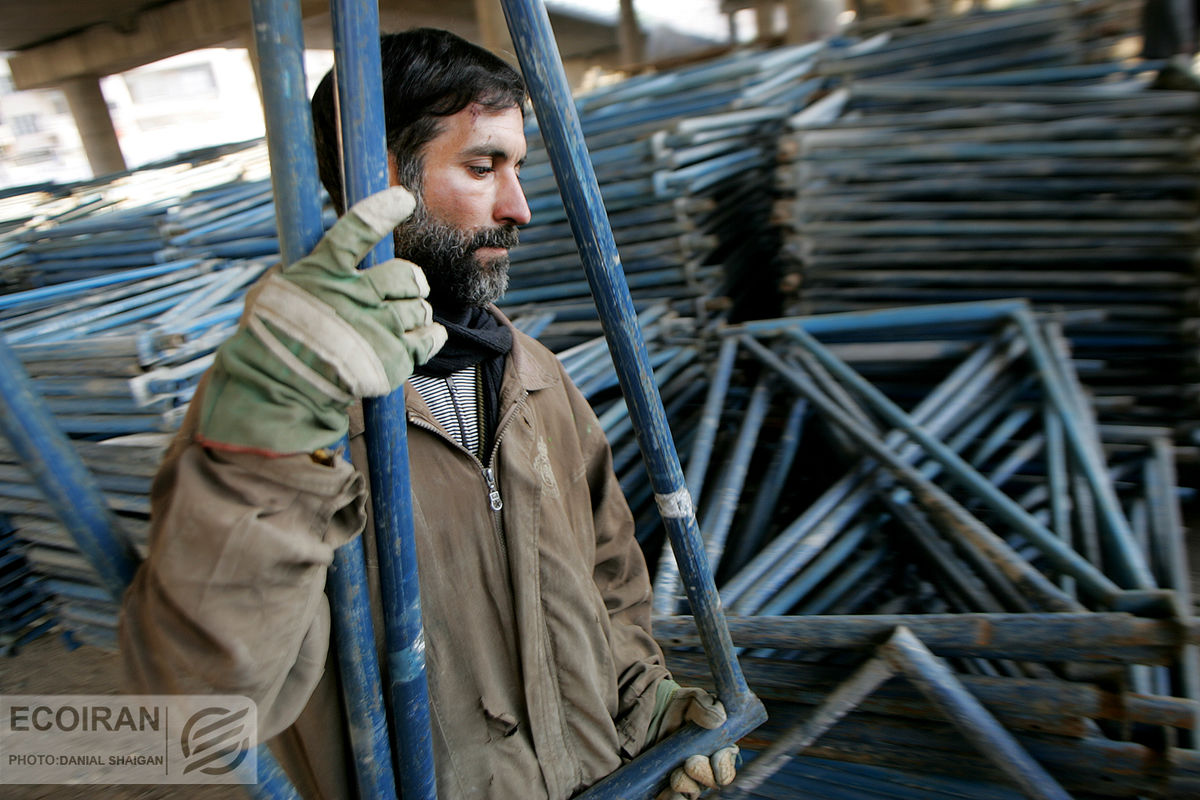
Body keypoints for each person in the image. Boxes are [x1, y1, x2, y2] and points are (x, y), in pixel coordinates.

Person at [120, 27, 737, 800]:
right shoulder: (283, 419)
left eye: (519, 168)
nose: (520, 209)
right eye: (483, 168)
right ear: (374, 176)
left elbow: (610, 579)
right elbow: (203, 695)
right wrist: (267, 446)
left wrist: (645, 706)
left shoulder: (534, 375)